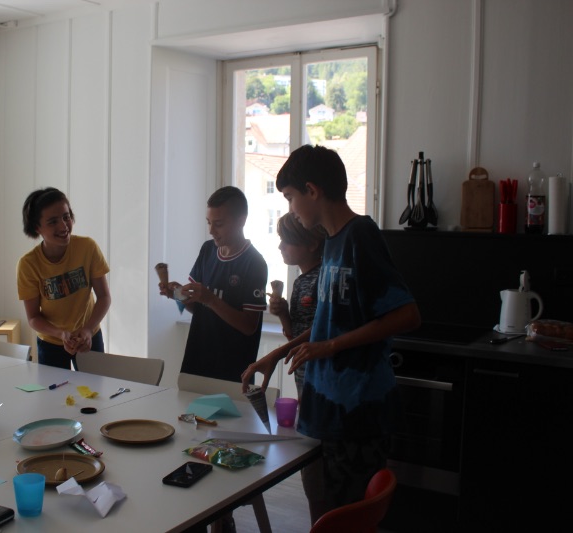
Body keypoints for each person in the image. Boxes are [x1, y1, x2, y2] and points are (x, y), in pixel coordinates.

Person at [241, 145, 421, 524]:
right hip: (327, 410)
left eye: (290, 197)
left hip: (356, 413)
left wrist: (330, 347)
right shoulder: (334, 243)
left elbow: (407, 315)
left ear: (312, 190)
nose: (291, 208)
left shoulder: (360, 235)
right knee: (323, 508)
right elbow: (329, 322)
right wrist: (277, 353)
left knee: (343, 518)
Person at [159, 186, 268, 383]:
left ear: (241, 221)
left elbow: (248, 325)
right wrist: (178, 295)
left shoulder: (254, 263)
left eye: (218, 224)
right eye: (209, 223)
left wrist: (211, 299)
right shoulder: (208, 250)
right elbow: (199, 309)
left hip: (232, 369)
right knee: (186, 404)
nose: (211, 231)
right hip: (197, 359)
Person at [17, 187, 111, 369]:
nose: (63, 226)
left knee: (96, 386)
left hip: (89, 336)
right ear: (37, 228)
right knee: (53, 389)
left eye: (66, 217)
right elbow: (33, 317)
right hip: (50, 343)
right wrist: (60, 334)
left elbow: (104, 297)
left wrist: (87, 329)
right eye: (52, 222)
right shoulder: (28, 264)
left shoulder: (87, 247)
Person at [254, 212, 324, 400]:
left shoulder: (323, 278)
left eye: (287, 241)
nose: (280, 246)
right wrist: (283, 314)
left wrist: (278, 353)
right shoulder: (300, 282)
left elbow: (323, 329)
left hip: (322, 373)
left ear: (312, 244)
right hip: (302, 372)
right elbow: (294, 336)